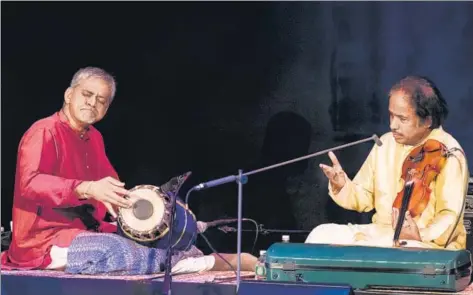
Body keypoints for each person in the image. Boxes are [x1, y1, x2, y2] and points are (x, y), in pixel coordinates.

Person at [1, 66, 257, 274]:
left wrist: (161, 208)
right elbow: (30, 183)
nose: (92, 104)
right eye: (86, 95)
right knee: (114, 250)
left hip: (85, 231)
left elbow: (113, 188)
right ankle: (212, 263)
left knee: (167, 240)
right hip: (42, 242)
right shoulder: (44, 131)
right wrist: (86, 187)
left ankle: (201, 260)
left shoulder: (94, 138)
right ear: (69, 94)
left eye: (101, 100)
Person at [306, 75, 469, 250]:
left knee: (404, 248)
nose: (393, 125)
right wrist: (342, 185)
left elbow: (450, 215)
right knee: (320, 234)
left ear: (427, 120)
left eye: (402, 119)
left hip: (424, 243)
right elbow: (364, 197)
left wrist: (422, 235)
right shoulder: (384, 144)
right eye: (391, 116)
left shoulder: (448, 152)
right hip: (381, 234)